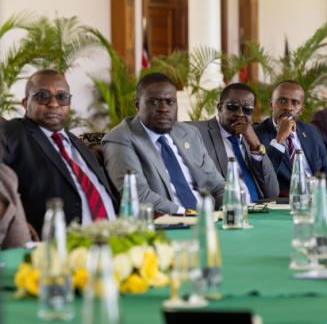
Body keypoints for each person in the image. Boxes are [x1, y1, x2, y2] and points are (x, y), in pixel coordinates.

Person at [0, 69, 120, 236]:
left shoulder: (78, 143)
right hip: (58, 244)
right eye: (43, 96)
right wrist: (16, 223)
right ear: (26, 104)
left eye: (62, 97)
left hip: (116, 238)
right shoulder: (10, 132)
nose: (54, 104)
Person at [103, 73, 226, 214]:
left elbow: (217, 185)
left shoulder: (190, 133)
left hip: (211, 218)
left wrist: (227, 210)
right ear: (137, 105)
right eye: (154, 102)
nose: (164, 108)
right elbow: (138, 195)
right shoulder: (121, 138)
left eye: (170, 102)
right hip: (167, 223)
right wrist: (188, 215)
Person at [187, 83, 279, 203]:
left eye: (248, 110)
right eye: (233, 107)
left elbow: (272, 192)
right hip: (226, 212)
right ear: (220, 108)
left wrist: (256, 146)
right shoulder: (195, 132)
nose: (240, 113)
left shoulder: (251, 138)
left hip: (260, 211)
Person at [254, 80, 327, 193]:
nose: (288, 107)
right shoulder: (257, 136)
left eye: (295, 103)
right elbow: (263, 180)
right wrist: (280, 138)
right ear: (271, 105)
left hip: (319, 197)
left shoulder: (312, 131)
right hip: (285, 202)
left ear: (301, 110)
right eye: (282, 101)